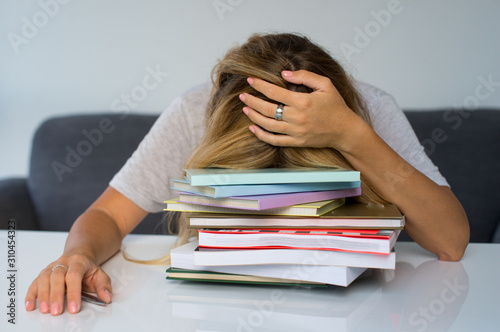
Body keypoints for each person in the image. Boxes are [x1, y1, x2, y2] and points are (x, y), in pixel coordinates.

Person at [25, 33, 469, 316]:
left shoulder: (369, 112)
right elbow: (107, 214)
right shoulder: (195, 111)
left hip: (347, 308)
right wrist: (77, 256)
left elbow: (450, 243)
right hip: (214, 307)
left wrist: (355, 137)